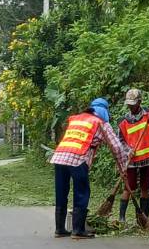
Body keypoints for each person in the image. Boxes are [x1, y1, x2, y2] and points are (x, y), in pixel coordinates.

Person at [49, 97, 129, 239]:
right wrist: (124, 168)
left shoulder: (77, 118)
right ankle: (78, 230)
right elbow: (117, 147)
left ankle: (60, 229)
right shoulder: (101, 123)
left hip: (59, 156)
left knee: (61, 192)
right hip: (78, 158)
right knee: (81, 192)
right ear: (105, 111)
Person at [117, 89, 149, 225]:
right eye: (129, 104)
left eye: (133, 104)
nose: (130, 106)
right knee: (129, 187)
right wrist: (128, 150)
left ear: (139, 102)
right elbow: (120, 141)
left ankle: (144, 217)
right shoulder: (123, 121)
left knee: (146, 187)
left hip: (148, 158)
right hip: (132, 160)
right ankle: (121, 218)